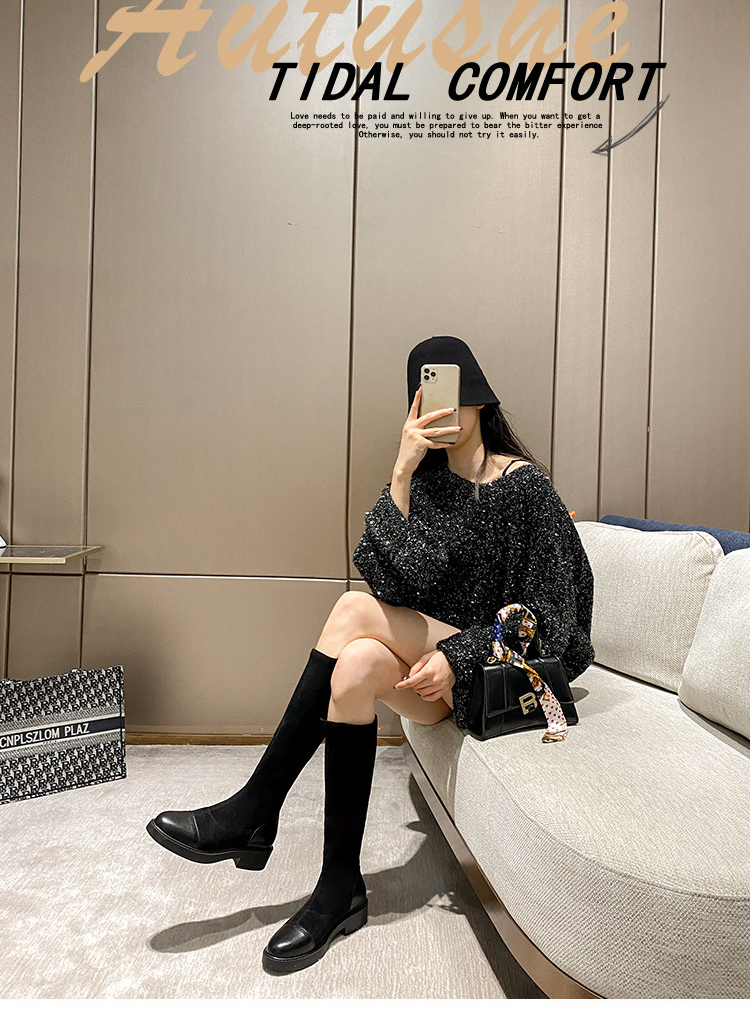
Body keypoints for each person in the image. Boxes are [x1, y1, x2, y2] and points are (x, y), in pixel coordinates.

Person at [146, 335, 595, 974]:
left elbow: (557, 620)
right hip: (435, 675)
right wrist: (402, 474)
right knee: (355, 663)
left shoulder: (525, 488)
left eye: (452, 394)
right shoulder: (430, 486)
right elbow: (391, 585)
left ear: (479, 397)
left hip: (494, 678)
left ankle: (255, 809)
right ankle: (339, 889)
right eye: (426, 397)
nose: (441, 410)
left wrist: (461, 655)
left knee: (352, 610)